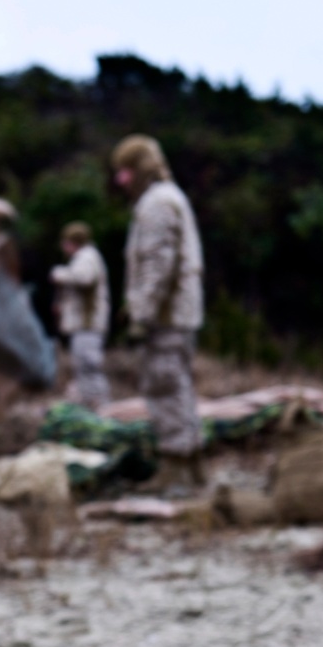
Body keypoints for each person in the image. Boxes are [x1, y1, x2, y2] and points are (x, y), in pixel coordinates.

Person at [110, 135, 204, 486]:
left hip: (166, 316)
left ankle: (177, 467)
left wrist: (142, 314)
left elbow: (157, 266)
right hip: (177, 313)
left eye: (123, 171)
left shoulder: (156, 204)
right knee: (178, 386)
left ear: (135, 170)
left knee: (163, 386)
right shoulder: (170, 197)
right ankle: (192, 465)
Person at [49, 221, 110, 411]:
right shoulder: (85, 257)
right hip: (85, 323)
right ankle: (90, 406)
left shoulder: (86, 257)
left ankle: (101, 407)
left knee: (89, 366)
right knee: (83, 367)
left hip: (88, 323)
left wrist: (60, 274)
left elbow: (84, 278)